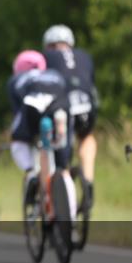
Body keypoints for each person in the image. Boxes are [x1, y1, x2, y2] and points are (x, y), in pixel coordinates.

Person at [7, 50, 74, 220]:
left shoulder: (16, 79)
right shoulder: (55, 75)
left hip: (33, 104)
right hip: (60, 105)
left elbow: (18, 113)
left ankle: (31, 173)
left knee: (18, 141)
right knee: (62, 160)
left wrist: (22, 135)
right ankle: (71, 214)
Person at [42, 24, 99, 208]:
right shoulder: (84, 56)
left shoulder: (45, 57)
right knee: (86, 136)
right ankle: (88, 179)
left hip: (62, 106)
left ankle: (65, 194)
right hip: (86, 104)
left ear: (48, 45)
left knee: (60, 156)